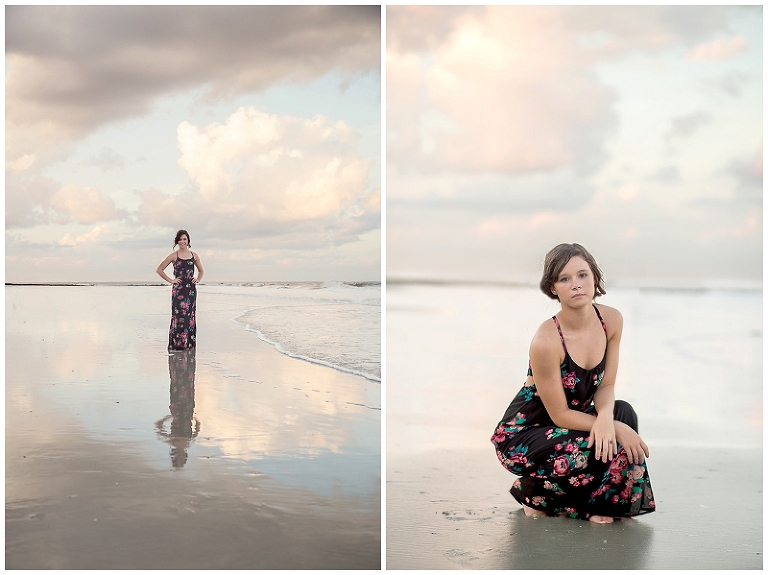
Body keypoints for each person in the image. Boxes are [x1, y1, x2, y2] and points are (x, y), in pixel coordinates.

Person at [491, 243, 655, 523]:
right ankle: (534, 492)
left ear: (595, 278)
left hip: (568, 425)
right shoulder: (546, 340)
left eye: (582, 275)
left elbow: (605, 386)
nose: (576, 285)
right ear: (553, 288)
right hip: (525, 436)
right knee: (607, 434)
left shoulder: (611, 320)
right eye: (564, 279)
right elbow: (559, 415)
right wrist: (611, 428)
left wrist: (607, 417)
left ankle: (602, 498)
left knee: (623, 412)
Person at [156, 230, 204, 351]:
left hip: (191, 291)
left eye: (185, 239)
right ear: (177, 241)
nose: (183, 241)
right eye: (180, 239)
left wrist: (197, 279)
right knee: (178, 316)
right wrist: (171, 280)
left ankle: (188, 345)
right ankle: (177, 345)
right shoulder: (174, 256)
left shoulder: (194, 255)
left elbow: (201, 270)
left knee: (190, 316)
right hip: (178, 291)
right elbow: (159, 269)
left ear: (188, 241)